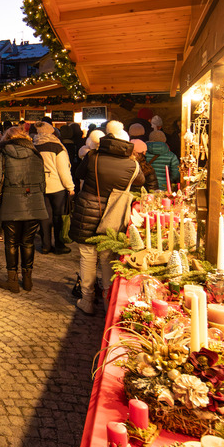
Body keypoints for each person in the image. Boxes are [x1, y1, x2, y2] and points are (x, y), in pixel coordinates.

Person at [72, 134, 145, 315]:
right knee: (107, 257)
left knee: (88, 256)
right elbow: (141, 181)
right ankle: (107, 300)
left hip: (87, 211)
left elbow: (78, 174)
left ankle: (87, 299)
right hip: (114, 213)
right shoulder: (133, 165)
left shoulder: (92, 158)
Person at [0, 126, 49, 293]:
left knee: (11, 242)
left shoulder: (4, 153)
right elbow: (43, 183)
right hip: (34, 202)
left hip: (11, 203)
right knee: (28, 242)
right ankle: (27, 280)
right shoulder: (36, 154)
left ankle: (12, 280)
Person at [33, 122, 74, 255]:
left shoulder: (34, 146)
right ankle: (59, 244)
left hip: (40, 186)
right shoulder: (57, 147)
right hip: (57, 187)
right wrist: (70, 187)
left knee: (45, 217)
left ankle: (45, 245)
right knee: (58, 217)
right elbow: (63, 170)